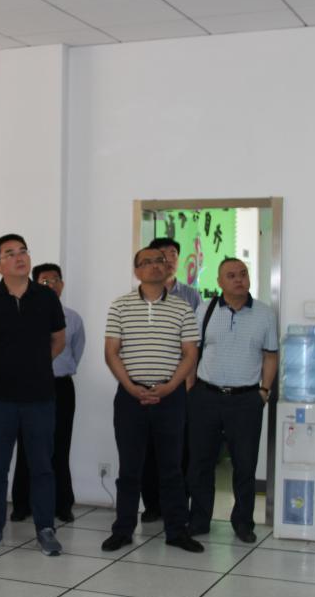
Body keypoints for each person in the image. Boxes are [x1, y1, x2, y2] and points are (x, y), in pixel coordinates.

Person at [0, 235, 66, 557]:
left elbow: (59, 339)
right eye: (10, 253)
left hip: (39, 397)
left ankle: (45, 529)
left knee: (42, 466)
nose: (20, 257)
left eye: (23, 251)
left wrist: (35, 365)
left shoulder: (46, 297)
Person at [102, 247, 203, 553]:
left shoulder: (182, 308)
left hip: (170, 398)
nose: (155, 266)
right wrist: (130, 387)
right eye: (147, 262)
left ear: (167, 267)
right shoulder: (120, 306)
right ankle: (123, 530)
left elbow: (190, 353)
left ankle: (177, 531)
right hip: (130, 397)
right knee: (130, 468)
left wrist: (171, 385)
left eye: (160, 261)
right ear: (137, 271)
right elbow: (111, 352)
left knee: (171, 468)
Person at [186, 257, 278, 543]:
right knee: (201, 462)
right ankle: (199, 520)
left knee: (245, 464)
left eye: (243, 273)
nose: (239, 279)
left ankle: (243, 523)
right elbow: (192, 352)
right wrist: (190, 389)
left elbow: (270, 355)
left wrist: (264, 391)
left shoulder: (264, 314)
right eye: (231, 275)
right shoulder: (205, 309)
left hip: (246, 399)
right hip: (206, 396)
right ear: (219, 282)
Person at [11, 262, 85, 523]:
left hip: (61, 386)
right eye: (45, 281)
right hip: (29, 386)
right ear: (34, 285)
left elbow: (76, 351)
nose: (52, 285)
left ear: (62, 284)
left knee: (60, 445)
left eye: (56, 280)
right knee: (27, 445)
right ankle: (22, 504)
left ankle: (62, 505)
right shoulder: (23, 313)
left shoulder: (73, 318)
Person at [139, 236, 202, 522]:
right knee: (147, 447)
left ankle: (177, 507)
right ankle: (152, 505)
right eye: (161, 254)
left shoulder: (191, 297)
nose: (167, 259)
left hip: (179, 384)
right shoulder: (137, 298)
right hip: (145, 384)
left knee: (179, 450)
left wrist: (189, 382)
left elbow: (194, 345)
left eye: (173, 253)